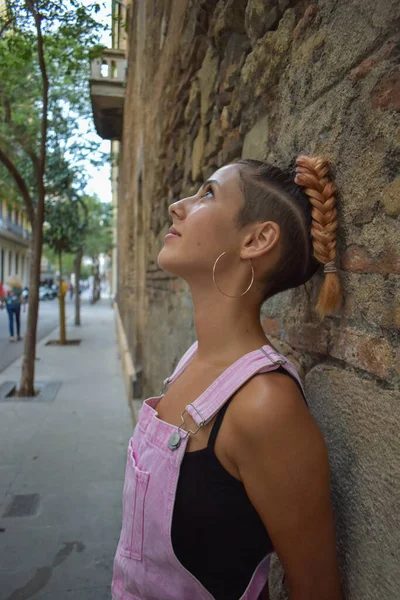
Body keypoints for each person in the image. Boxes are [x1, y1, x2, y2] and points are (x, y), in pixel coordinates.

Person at [112, 156, 344, 600]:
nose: (178, 206)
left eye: (208, 193)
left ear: (257, 239)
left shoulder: (264, 406)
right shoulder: (192, 359)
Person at [4, 276, 25, 342]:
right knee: (17, 320)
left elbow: (5, 296)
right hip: (17, 305)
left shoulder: (8, 288)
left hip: (9, 305)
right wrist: (23, 305)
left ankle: (11, 336)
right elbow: (21, 298)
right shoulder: (19, 288)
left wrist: (3, 303)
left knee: (11, 320)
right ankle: (18, 335)